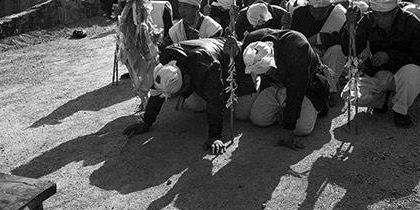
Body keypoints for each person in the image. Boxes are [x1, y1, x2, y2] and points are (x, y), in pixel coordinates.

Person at [122, 37, 257, 154]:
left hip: (236, 61)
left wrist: (215, 136)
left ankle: (257, 81)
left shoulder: (208, 66)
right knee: (196, 105)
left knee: (242, 113)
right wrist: (147, 121)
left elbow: (215, 100)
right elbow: (157, 93)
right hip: (206, 62)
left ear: (186, 80)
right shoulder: (165, 62)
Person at [342, 0, 420, 128]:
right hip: (379, 73)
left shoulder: (412, 24)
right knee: (350, 95)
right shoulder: (368, 19)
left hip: (404, 73)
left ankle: (400, 110)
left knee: (413, 75)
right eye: (376, 15)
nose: (380, 19)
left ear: (395, 11)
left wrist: (390, 56)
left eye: (385, 16)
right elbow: (353, 50)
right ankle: (381, 100)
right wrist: (349, 27)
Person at [233, 29, 330, 149]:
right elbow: (241, 73)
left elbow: (296, 90)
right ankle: (285, 109)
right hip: (275, 85)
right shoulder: (251, 41)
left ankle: (316, 107)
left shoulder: (298, 48)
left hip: (305, 86)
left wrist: (289, 128)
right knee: (258, 119)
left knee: (301, 129)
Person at [291, 0, 347, 102]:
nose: (316, 13)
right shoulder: (299, 13)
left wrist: (320, 38)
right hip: (306, 52)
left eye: (321, 11)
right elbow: (293, 35)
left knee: (338, 50)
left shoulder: (338, 14)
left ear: (328, 7)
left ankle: (329, 90)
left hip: (327, 54)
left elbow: (345, 39)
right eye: (313, 10)